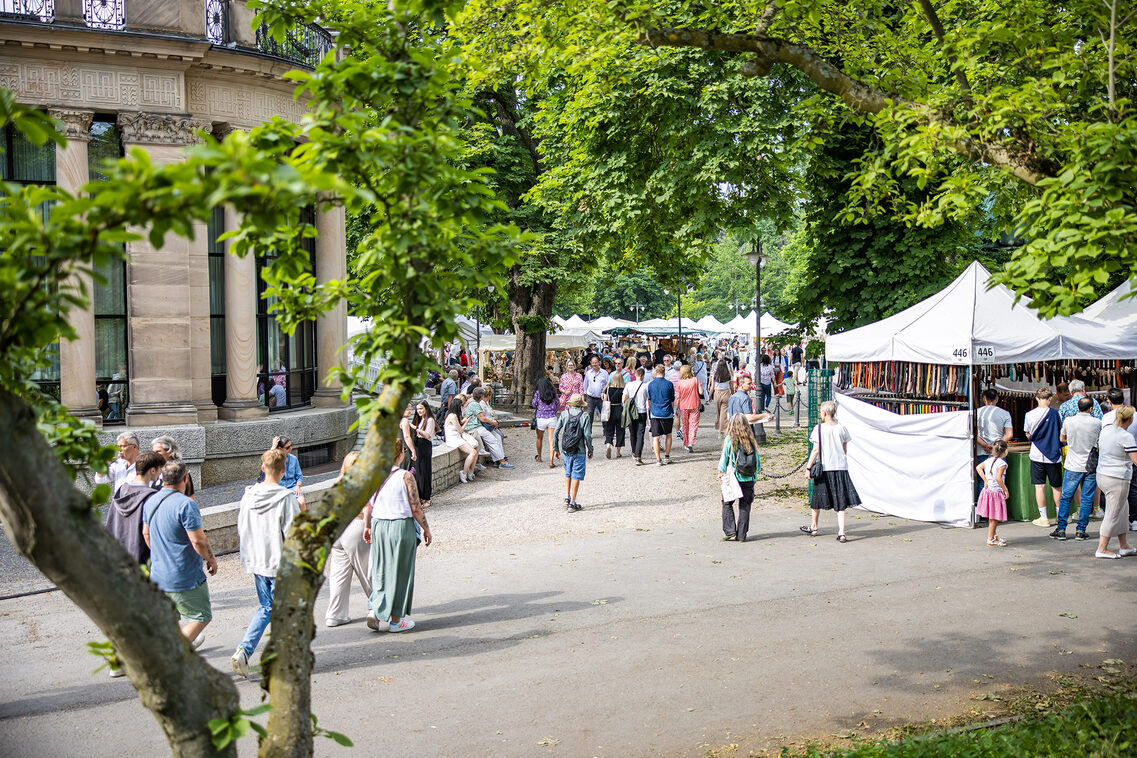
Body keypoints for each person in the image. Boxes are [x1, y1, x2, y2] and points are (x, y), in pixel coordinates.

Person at [231, 448, 303, 676]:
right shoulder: (285, 498)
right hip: (280, 560)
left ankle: (248, 651)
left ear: (263, 468)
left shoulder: (248, 496)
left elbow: (241, 527)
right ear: (284, 470)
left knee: (268, 607)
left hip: (258, 560)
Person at [142, 460, 217, 648]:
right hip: (184, 575)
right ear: (186, 478)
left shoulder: (151, 501)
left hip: (158, 575)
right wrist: (210, 558)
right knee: (202, 616)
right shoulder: (186, 505)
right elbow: (198, 541)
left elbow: (146, 533)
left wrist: (162, 554)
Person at [363, 439, 432, 632]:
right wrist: (426, 528)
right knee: (401, 571)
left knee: (380, 569)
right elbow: (416, 507)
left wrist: (367, 526)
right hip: (400, 525)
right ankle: (395, 619)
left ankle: (375, 608)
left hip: (379, 524)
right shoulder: (405, 476)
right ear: (400, 454)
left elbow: (368, 505)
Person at [325, 452, 374, 628]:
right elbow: (366, 509)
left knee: (338, 575)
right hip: (356, 527)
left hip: (338, 531)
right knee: (368, 571)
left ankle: (335, 614)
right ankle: (377, 607)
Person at [803, 400, 860, 542]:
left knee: (817, 499)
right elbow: (845, 448)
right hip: (840, 467)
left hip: (825, 467)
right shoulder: (842, 428)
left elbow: (815, 450)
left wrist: (808, 467)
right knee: (840, 501)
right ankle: (841, 532)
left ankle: (814, 527)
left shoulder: (819, 429)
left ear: (824, 413)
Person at [1052, 396, 1100, 541]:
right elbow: (1099, 440)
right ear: (1091, 408)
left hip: (1073, 464)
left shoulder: (1069, 421)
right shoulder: (1097, 422)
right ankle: (1081, 530)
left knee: (1066, 497)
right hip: (1090, 465)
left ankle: (1061, 529)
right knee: (1087, 498)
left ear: (1078, 407)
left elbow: (1062, 438)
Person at [107, 451, 165, 567]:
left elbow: (110, 523)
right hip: (141, 558)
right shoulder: (151, 497)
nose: (160, 474)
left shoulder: (121, 491)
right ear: (152, 470)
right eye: (159, 470)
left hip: (118, 556)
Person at [1093, 406, 1137, 559]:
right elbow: (1135, 460)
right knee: (1113, 513)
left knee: (1123, 509)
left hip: (1103, 475)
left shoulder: (1106, 430)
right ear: (1130, 419)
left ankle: (1124, 545)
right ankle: (1102, 548)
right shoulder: (1126, 436)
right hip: (1117, 478)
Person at [1024, 387, 1062, 527]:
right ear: (1050, 398)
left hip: (1036, 454)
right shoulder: (1055, 414)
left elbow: (1028, 434)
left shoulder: (1029, 415)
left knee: (1039, 486)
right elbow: (1060, 432)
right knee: (1056, 487)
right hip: (1053, 455)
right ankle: (1060, 517)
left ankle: (1044, 518)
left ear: (1036, 398)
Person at [1099, 388, 1137, 531]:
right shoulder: (1127, 431)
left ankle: (1123, 540)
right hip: (1124, 463)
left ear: (1109, 401)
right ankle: (1134, 519)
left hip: (1110, 464)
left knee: (1117, 505)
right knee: (1131, 491)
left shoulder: (1106, 419)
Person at [717, 415, 759, 542]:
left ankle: (730, 530)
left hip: (735, 477)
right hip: (749, 477)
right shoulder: (751, 440)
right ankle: (742, 535)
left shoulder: (730, 440)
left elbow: (724, 458)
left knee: (727, 502)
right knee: (745, 505)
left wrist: (720, 472)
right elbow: (757, 461)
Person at [554, 394, 593, 511]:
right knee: (576, 475)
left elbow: (556, 432)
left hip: (566, 449)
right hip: (579, 450)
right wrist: (590, 449)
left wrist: (556, 448)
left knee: (568, 472)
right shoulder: (584, 416)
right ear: (581, 405)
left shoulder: (564, 414)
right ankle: (573, 502)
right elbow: (587, 435)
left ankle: (567, 497)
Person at [975, 389, 1014, 496]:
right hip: (999, 453)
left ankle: (982, 509)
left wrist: (985, 445)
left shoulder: (977, 413)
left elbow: (973, 434)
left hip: (981, 451)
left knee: (983, 482)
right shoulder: (1004, 414)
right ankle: (998, 509)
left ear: (984, 399)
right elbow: (1009, 434)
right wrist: (995, 446)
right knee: (998, 481)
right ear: (997, 399)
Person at [465, 387, 514, 468]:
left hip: (475, 427)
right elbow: (482, 418)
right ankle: (502, 462)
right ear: (481, 396)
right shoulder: (475, 404)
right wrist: (493, 422)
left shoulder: (472, 403)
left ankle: (499, 460)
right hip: (476, 427)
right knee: (493, 441)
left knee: (496, 438)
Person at [976, 440, 1010, 547]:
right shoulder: (1002, 464)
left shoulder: (988, 460)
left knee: (993, 516)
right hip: (996, 492)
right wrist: (1005, 489)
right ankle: (990, 539)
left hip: (988, 491)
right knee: (994, 518)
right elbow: (998, 478)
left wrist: (985, 480)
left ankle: (994, 535)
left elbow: (978, 468)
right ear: (1004, 451)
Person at [443, 397, 482, 483]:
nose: (462, 408)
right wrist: (467, 422)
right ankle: (464, 472)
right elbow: (460, 430)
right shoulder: (452, 416)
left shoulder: (452, 415)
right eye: (461, 406)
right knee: (472, 452)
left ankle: (471, 471)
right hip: (454, 439)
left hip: (457, 437)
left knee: (476, 449)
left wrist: (465, 420)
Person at [95, 432, 140, 499]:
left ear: (134, 446)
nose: (119, 450)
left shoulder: (144, 462)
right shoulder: (118, 463)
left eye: (123, 446)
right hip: (119, 504)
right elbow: (100, 480)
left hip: (136, 503)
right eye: (118, 447)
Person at [648, 365, 676, 465]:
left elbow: (650, 399)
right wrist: (672, 410)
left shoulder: (651, 384)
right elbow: (672, 399)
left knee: (656, 437)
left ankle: (658, 459)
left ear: (656, 372)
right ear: (664, 372)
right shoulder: (669, 384)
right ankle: (667, 456)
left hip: (655, 413)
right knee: (668, 435)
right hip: (667, 412)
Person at [623, 367, 651, 466]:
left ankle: (634, 452)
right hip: (641, 411)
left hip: (631, 412)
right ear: (643, 376)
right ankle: (638, 456)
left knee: (632, 433)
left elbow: (624, 399)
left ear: (635, 374)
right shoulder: (645, 386)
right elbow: (648, 400)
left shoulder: (629, 385)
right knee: (640, 434)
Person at [532, 376, 561, 467]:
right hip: (552, 417)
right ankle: (551, 462)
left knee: (539, 438)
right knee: (551, 440)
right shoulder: (553, 393)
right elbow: (558, 405)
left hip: (541, 417)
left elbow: (533, 404)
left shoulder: (538, 393)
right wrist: (554, 411)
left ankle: (539, 457)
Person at [676, 364, 702, 453]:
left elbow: (678, 397)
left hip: (683, 406)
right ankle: (691, 442)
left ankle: (686, 444)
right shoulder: (695, 380)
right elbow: (701, 392)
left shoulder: (679, 383)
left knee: (685, 425)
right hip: (695, 405)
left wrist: (676, 408)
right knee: (693, 425)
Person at [603, 369, 626, 458]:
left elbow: (605, 400)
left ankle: (608, 445)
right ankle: (618, 452)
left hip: (610, 410)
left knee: (609, 429)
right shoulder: (623, 389)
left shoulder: (608, 389)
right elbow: (624, 401)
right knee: (620, 431)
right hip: (619, 409)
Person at [582, 354, 610, 425]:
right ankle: (588, 432)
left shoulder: (604, 373)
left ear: (599, 363)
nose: (594, 364)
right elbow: (585, 385)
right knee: (589, 415)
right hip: (590, 397)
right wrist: (584, 396)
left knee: (604, 414)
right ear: (591, 363)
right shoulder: (588, 373)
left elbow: (608, 384)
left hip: (601, 397)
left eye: (596, 362)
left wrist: (606, 394)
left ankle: (606, 432)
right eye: (593, 363)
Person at [712, 359, 733, 436]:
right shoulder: (728, 375)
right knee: (724, 413)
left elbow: (712, 387)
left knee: (718, 412)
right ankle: (722, 431)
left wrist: (709, 396)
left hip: (717, 393)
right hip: (726, 393)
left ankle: (719, 428)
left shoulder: (716, 375)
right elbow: (731, 386)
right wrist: (733, 394)